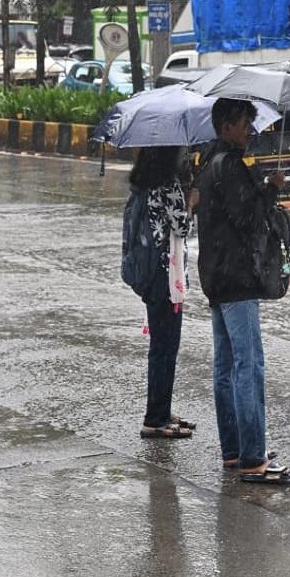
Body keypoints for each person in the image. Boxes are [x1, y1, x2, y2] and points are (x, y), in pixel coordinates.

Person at [195, 98, 290, 485]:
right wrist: (270, 190)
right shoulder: (231, 166)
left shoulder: (207, 163)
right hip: (236, 278)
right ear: (226, 127)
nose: (251, 131)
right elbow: (248, 219)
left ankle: (234, 450)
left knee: (225, 367)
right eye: (244, 124)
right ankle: (254, 458)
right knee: (248, 366)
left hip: (216, 277)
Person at [130, 145, 198, 439]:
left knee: (162, 347)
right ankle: (155, 419)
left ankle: (161, 410)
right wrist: (192, 200)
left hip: (151, 275)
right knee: (165, 348)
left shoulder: (142, 185)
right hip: (165, 277)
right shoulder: (167, 185)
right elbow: (182, 226)